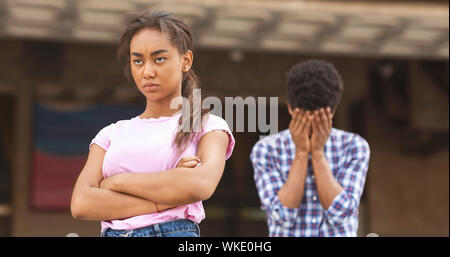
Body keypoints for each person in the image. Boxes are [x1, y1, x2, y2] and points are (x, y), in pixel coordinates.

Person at [70, 10, 235, 237]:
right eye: (138, 60)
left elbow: (199, 185)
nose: (147, 71)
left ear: (185, 61)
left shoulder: (207, 125)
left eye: (159, 59)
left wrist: (116, 182)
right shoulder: (110, 134)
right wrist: (166, 198)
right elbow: (81, 203)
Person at [250, 60, 370, 237]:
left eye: (320, 117)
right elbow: (282, 215)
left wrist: (318, 154)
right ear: (291, 108)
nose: (312, 124)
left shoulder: (354, 146)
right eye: (305, 117)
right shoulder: (266, 149)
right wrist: (301, 153)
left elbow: (341, 213)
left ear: (333, 111)